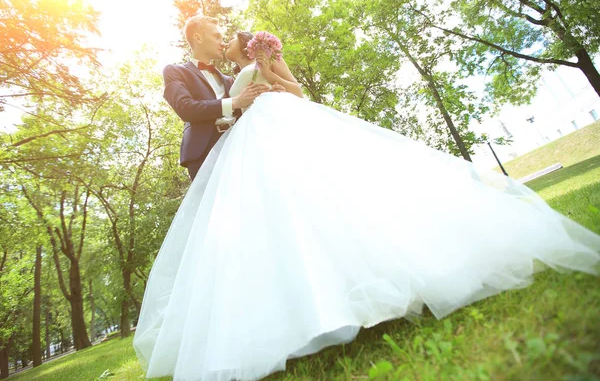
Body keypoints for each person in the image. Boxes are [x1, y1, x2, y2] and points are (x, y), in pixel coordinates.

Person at [133, 30, 600, 381]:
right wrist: (235, 100)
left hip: (269, 138)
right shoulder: (179, 71)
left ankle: (331, 296)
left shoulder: (247, 63)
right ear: (197, 37)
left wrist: (263, 77)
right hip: (217, 152)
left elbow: (286, 90)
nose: (221, 39)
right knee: (236, 238)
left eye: (225, 37)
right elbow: (191, 108)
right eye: (214, 34)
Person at [162, 16, 273, 180]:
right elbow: (185, 108)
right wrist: (235, 102)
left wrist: (270, 92)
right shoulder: (174, 72)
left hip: (236, 149)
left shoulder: (230, 80)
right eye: (217, 37)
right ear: (198, 38)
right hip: (202, 154)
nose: (223, 43)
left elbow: (245, 110)